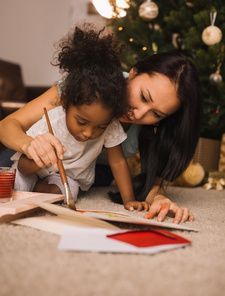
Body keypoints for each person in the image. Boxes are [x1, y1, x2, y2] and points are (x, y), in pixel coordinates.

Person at [0, 25, 203, 224]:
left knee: (81, 186)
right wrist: (30, 146)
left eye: (156, 113)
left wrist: (158, 198)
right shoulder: (86, 86)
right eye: (143, 96)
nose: (138, 113)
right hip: (35, 154)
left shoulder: (155, 128)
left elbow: (151, 177)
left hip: (88, 173)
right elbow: (8, 124)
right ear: (133, 73)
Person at [8, 24, 147, 211]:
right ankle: (30, 189)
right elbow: (24, 167)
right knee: (15, 186)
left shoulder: (111, 125)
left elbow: (118, 161)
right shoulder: (51, 120)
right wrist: (37, 159)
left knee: (66, 195)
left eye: (100, 126)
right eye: (81, 121)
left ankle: (36, 191)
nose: (89, 133)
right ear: (65, 102)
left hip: (66, 177)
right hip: (30, 169)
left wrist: (129, 199)